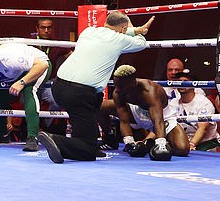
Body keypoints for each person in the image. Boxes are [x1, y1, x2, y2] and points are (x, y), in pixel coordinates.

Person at [38, 11, 155, 163]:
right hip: (80, 94)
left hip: (59, 87)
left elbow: (116, 31)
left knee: (96, 99)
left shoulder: (88, 31)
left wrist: (130, 30)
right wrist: (138, 31)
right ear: (124, 27)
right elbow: (142, 43)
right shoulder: (119, 39)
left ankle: (85, 143)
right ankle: (57, 140)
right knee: (87, 152)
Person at [100, 65, 189, 160]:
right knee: (100, 106)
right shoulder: (118, 92)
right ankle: (110, 138)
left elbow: (158, 120)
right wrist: (129, 143)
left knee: (182, 149)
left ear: (133, 83)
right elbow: (124, 120)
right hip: (136, 113)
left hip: (163, 116)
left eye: (121, 86)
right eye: (116, 85)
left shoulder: (149, 91)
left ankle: (151, 143)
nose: (117, 89)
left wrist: (161, 144)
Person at [0, 43, 51, 151]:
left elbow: (43, 65)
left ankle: (32, 138)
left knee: (29, 91)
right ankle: (2, 135)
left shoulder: (9, 58)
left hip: (38, 65)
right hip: (16, 73)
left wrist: (22, 82)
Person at [33, 18, 72, 135]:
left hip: (48, 83)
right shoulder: (30, 43)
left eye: (49, 28)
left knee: (57, 102)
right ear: (37, 29)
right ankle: (31, 131)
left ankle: (45, 127)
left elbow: (72, 55)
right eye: (43, 27)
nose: (46, 30)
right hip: (31, 82)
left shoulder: (56, 43)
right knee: (29, 103)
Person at [170, 71, 220, 152]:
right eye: (179, 81)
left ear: (193, 85)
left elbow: (202, 129)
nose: (181, 84)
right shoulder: (173, 103)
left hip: (206, 143)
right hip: (183, 142)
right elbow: (164, 124)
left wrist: (191, 145)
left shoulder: (203, 102)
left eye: (185, 82)